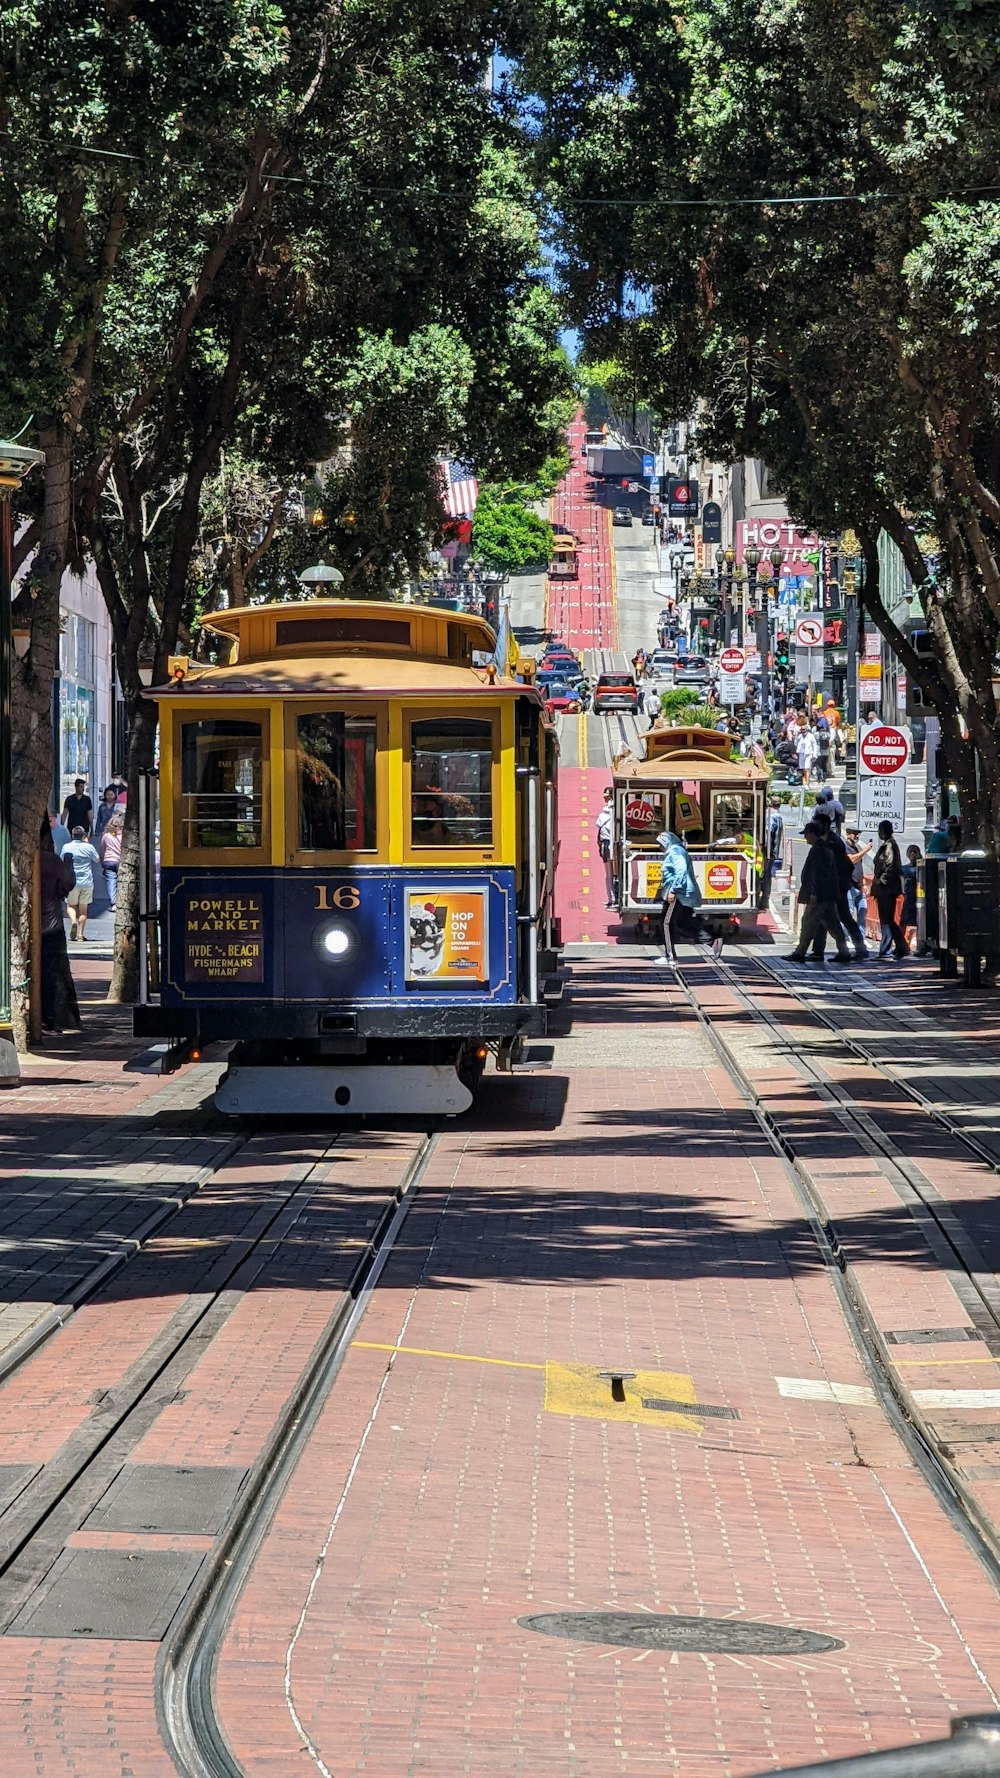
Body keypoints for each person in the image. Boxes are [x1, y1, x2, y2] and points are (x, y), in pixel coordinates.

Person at [787, 821, 852, 964]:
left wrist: (813, 894)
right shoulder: (826, 848)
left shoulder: (818, 850)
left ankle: (800, 952)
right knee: (833, 924)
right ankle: (844, 951)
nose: (805, 838)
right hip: (828, 895)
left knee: (808, 921)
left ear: (812, 834)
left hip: (820, 896)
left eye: (806, 834)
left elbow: (817, 874)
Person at [38, 820, 80, 1035]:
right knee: (48, 974)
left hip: (30, 926)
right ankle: (46, 1019)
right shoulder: (51, 861)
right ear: (45, 838)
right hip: (50, 926)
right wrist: (68, 864)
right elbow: (68, 883)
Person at [813, 808, 868, 960]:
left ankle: (855, 948)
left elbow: (844, 864)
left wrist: (837, 881)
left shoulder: (832, 842)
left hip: (836, 886)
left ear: (824, 825)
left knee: (839, 918)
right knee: (828, 918)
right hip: (834, 886)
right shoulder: (828, 840)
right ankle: (820, 950)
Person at [657, 829, 716, 963]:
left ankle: (670, 956)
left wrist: (673, 890)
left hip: (678, 893)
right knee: (683, 923)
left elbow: (681, 870)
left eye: (661, 844)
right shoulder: (676, 850)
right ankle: (712, 942)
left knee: (666, 923)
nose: (660, 847)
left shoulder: (675, 852)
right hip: (682, 893)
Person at [872, 819, 907, 960]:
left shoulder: (890, 846)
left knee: (886, 920)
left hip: (887, 890)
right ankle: (901, 946)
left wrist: (881, 881)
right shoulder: (887, 845)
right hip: (884, 890)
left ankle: (886, 949)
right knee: (887, 919)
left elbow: (890, 866)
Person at [62, 825, 102, 941]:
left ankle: (73, 921)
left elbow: (61, 859)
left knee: (70, 905)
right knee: (83, 909)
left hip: (71, 881)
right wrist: (87, 843)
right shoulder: (88, 847)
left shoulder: (67, 847)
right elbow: (97, 859)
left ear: (72, 835)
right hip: (86, 881)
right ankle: (80, 934)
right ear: (84, 836)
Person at [845, 829, 871, 937]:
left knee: (862, 911)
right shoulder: (845, 847)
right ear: (848, 834)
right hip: (849, 886)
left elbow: (859, 867)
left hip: (858, 886)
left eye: (858, 834)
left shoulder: (856, 848)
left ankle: (861, 937)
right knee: (849, 913)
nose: (856, 836)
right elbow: (851, 860)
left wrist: (863, 883)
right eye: (854, 833)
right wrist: (865, 850)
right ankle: (846, 937)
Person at [762, 795, 784, 911]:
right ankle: (765, 901)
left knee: (764, 875)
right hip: (771, 851)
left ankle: (763, 900)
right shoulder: (777, 816)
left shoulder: (770, 815)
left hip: (767, 851)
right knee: (767, 875)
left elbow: (767, 832)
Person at [99, 810, 124, 910]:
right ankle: (121, 900)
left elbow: (102, 850)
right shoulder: (124, 836)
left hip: (108, 860)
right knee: (121, 881)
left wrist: (102, 861)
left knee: (111, 881)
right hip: (120, 861)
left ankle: (113, 901)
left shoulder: (106, 836)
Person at [596, 786, 616, 907]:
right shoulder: (616, 813)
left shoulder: (603, 815)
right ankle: (613, 898)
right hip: (612, 845)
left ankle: (612, 898)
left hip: (607, 845)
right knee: (612, 873)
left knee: (608, 874)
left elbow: (598, 826)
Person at [901, 843, 922, 952]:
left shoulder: (921, 868)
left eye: (915, 852)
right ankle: (901, 944)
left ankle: (921, 945)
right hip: (909, 898)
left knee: (921, 922)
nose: (913, 854)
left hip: (921, 899)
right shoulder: (905, 869)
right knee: (903, 922)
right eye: (911, 852)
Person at [795, 720, 819, 786]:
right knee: (803, 768)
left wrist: (814, 754)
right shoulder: (800, 736)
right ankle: (804, 782)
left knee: (807, 768)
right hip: (801, 753)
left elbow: (814, 745)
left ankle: (807, 783)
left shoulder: (811, 736)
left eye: (804, 729)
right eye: (801, 729)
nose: (802, 731)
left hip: (808, 754)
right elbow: (795, 743)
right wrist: (797, 736)